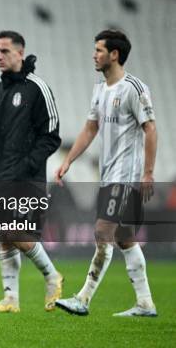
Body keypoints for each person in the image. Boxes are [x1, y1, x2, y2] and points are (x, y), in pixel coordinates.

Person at [55, 29, 158, 317]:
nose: (94, 54)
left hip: (126, 176)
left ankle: (83, 298)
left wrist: (148, 173)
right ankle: (145, 302)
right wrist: (69, 160)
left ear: (114, 54)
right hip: (109, 174)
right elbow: (91, 128)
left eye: (99, 49)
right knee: (124, 236)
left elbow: (150, 129)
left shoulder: (134, 88)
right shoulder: (100, 89)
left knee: (102, 231)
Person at [0, 30, 63, 313]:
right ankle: (10, 298)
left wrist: (27, 166)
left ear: (20, 51)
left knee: (15, 231)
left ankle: (52, 275)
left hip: (25, 178)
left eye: (4, 51)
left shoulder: (36, 88)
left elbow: (51, 135)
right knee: (3, 235)